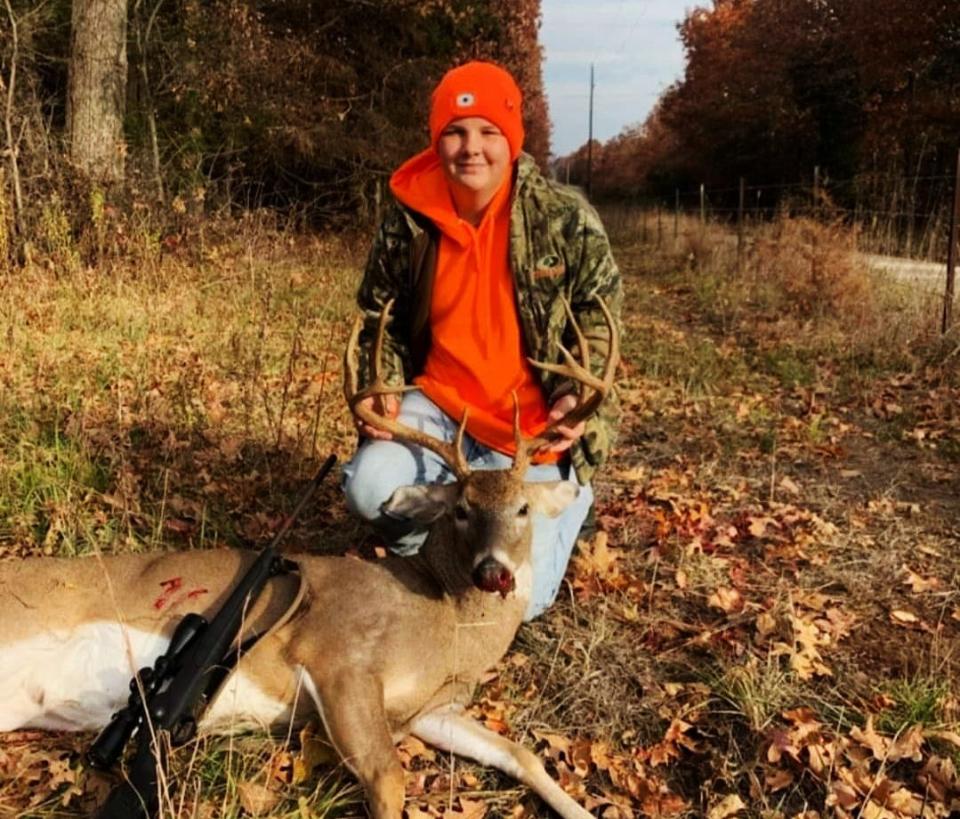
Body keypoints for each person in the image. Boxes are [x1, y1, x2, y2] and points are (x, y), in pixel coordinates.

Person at [342, 60, 622, 620]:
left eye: (489, 132)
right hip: (441, 413)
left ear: (512, 140)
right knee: (370, 486)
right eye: (455, 131)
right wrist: (381, 390)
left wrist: (571, 399)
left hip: (533, 430)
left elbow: (597, 314)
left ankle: (564, 497)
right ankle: (448, 548)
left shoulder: (565, 220)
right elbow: (381, 322)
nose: (472, 148)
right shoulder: (409, 223)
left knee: (522, 603)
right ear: (437, 139)